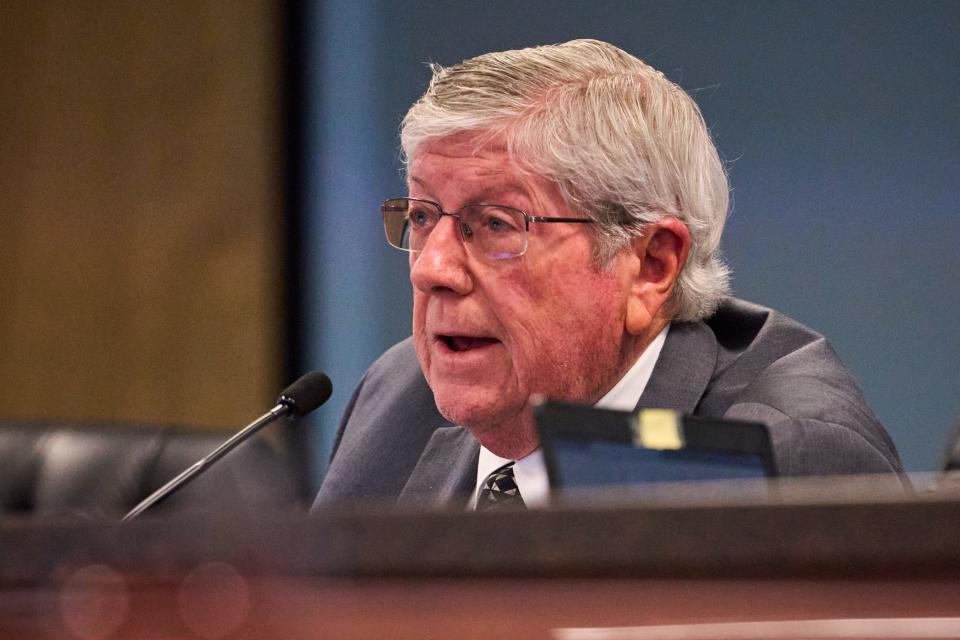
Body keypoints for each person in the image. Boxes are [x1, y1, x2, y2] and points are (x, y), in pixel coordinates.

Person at [314, 39, 902, 510]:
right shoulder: (396, 398)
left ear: (651, 266)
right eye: (422, 216)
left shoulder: (788, 460)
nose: (433, 270)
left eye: (495, 224)